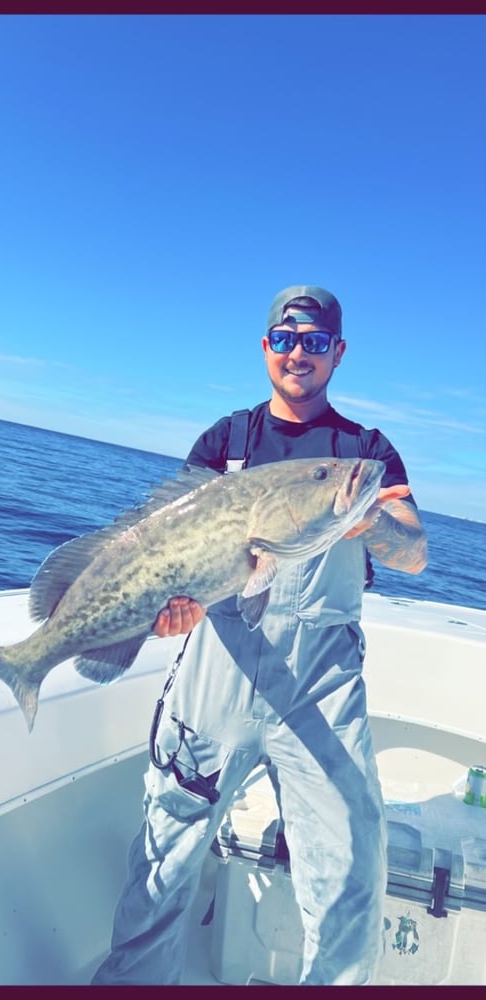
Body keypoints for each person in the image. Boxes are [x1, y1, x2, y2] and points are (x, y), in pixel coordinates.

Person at [92, 283, 428, 986]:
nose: (297, 352)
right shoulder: (226, 442)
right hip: (218, 672)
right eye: (284, 338)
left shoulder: (364, 452)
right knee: (164, 864)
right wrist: (165, 614)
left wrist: (369, 520)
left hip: (320, 688)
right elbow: (172, 552)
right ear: (266, 348)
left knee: (347, 880)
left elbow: (414, 550)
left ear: (336, 352)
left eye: (313, 341)